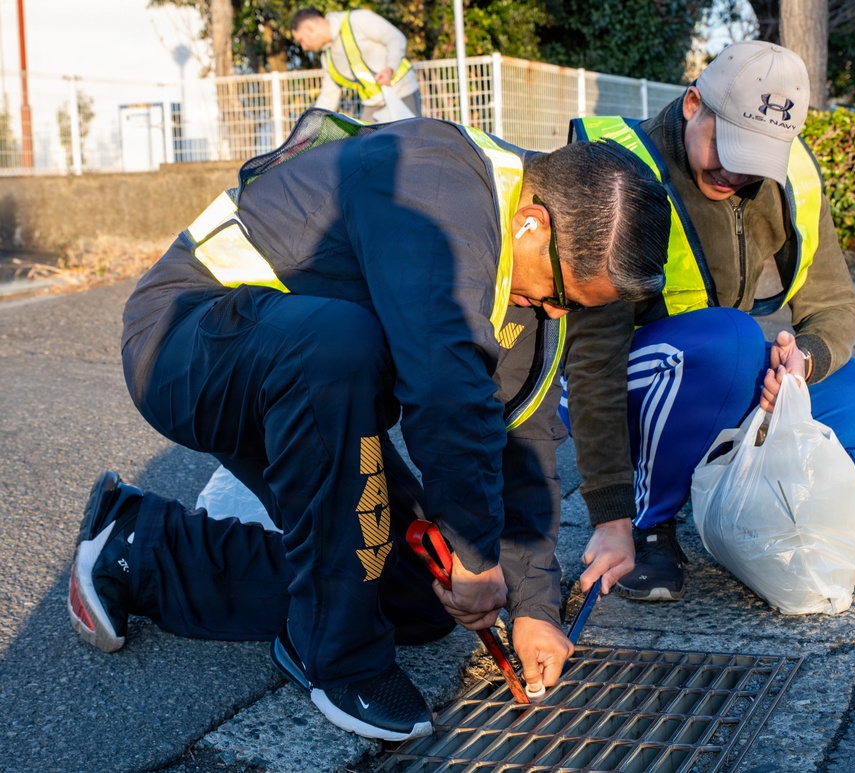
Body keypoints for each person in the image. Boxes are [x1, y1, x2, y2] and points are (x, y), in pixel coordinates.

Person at [66, 108, 671, 742]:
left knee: (417, 595)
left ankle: (144, 547)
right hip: (188, 342)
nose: (552, 311)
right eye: (559, 294)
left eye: (570, 306)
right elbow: (444, 389)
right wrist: (473, 553)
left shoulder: (529, 271)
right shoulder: (434, 180)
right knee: (341, 344)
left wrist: (534, 606)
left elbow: (520, 439)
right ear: (532, 223)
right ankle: (336, 654)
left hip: (308, 387)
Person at [560, 41, 855, 604]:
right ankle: (649, 518)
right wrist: (610, 515)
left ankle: (731, 482)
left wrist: (803, 361)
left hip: (721, 376)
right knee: (730, 339)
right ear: (693, 105)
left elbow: (835, 304)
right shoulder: (617, 168)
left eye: (756, 157)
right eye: (727, 145)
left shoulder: (791, 178)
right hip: (623, 384)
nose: (736, 171)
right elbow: (590, 358)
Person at [291, 7, 422, 122]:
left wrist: (390, 69)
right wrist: (311, 125)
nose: (304, 47)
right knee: (368, 148)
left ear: (310, 27)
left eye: (301, 40)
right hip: (373, 104)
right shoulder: (328, 58)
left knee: (412, 144)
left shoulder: (357, 20)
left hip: (402, 91)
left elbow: (395, 38)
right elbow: (328, 97)